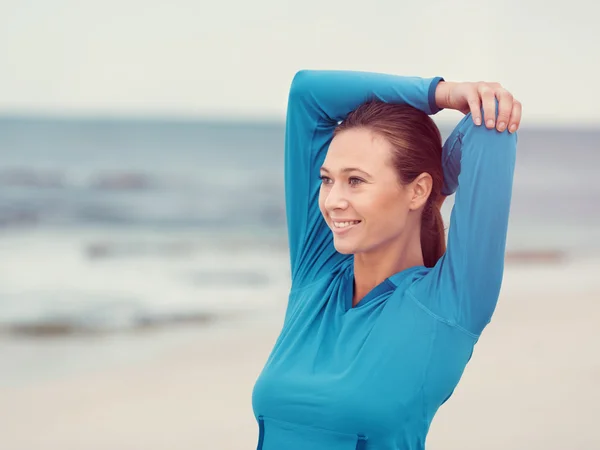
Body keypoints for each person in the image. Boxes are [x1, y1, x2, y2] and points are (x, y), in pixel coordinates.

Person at [251, 70, 521, 450]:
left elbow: (489, 127)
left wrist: (439, 183)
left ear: (418, 190)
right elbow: (306, 94)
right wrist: (439, 94)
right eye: (327, 179)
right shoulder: (316, 277)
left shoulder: (450, 303)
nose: (331, 201)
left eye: (356, 180)